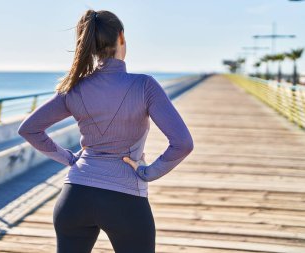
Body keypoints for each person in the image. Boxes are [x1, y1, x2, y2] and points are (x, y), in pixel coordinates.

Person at [17, 9, 194, 253]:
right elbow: (183, 143)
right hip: (125, 200)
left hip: (74, 197)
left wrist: (69, 158)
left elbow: (29, 129)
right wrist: (148, 172)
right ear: (121, 37)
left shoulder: (74, 88)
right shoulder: (144, 85)